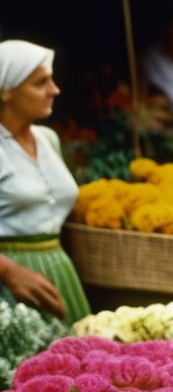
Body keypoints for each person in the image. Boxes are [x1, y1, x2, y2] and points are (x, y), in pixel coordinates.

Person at [0, 40, 90, 322]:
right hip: (12, 285)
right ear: (6, 92)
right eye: (41, 83)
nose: (55, 90)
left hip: (58, 273)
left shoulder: (48, 139)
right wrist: (7, 271)